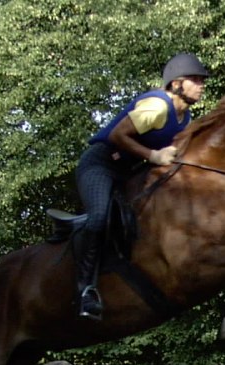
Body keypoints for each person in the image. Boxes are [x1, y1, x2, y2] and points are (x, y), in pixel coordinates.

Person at [72, 52, 211, 318]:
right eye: (195, 80)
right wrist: (153, 156)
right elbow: (118, 135)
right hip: (101, 164)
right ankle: (85, 290)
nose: (201, 85)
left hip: (129, 172)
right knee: (99, 217)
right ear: (176, 84)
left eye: (201, 80)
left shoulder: (185, 118)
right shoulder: (157, 106)